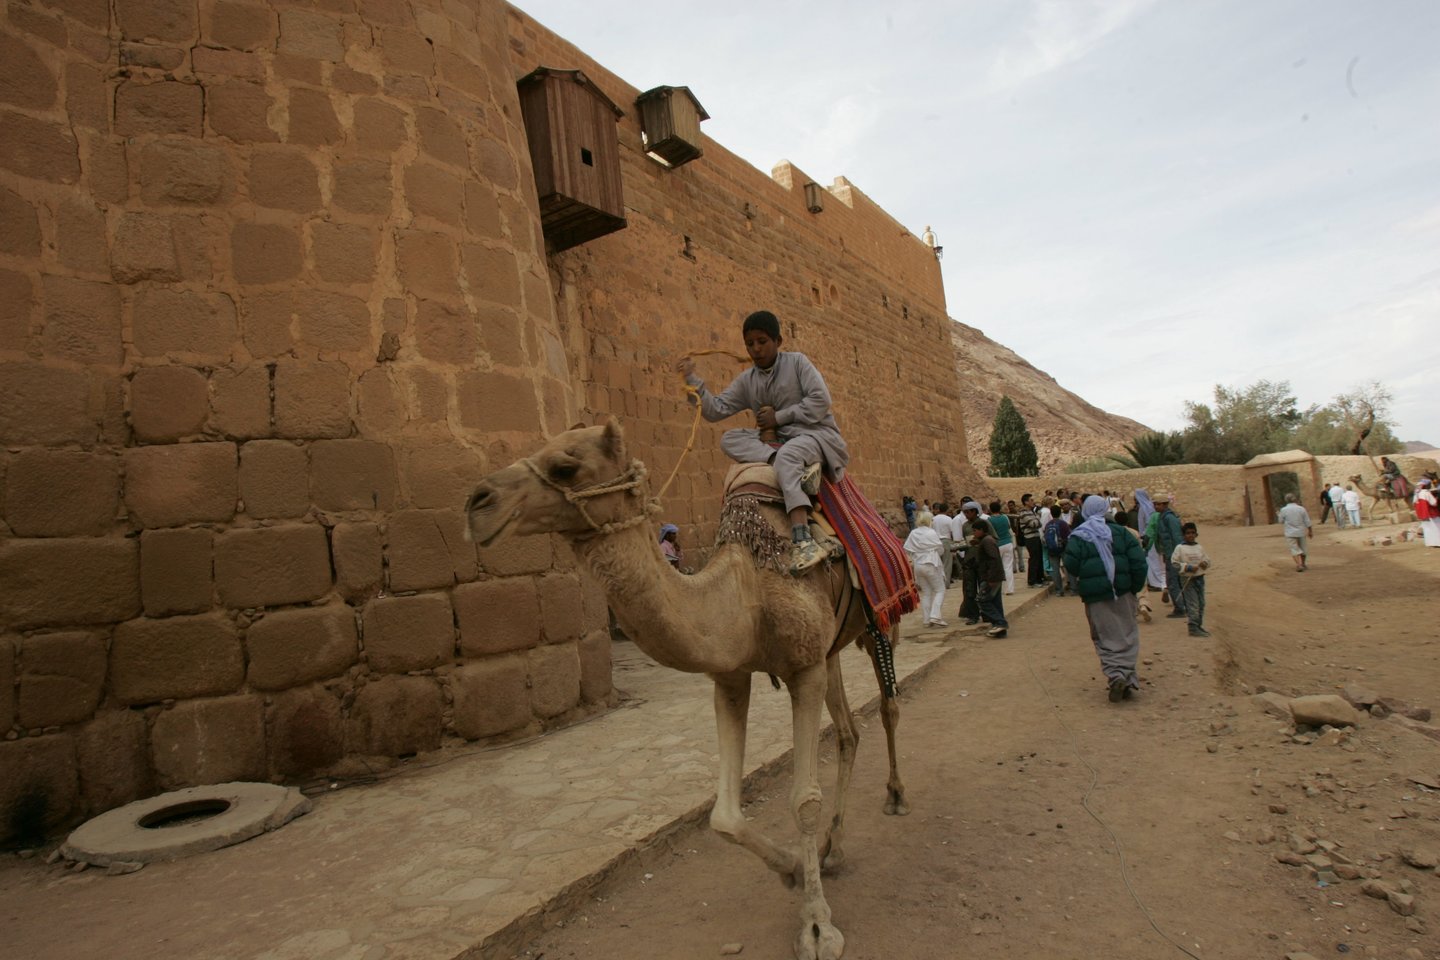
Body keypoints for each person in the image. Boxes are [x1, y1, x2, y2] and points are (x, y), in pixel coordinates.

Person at [678, 310, 846, 575]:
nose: (756, 349)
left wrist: (778, 418)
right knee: (729, 439)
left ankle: (803, 540)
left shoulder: (798, 363)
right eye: (750, 344)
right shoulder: (748, 380)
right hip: (776, 445)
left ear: (778, 341)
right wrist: (691, 381)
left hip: (813, 436)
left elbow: (820, 401)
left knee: (789, 454)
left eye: (762, 341)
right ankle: (785, 465)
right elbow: (716, 409)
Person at [1063, 495, 1148, 702]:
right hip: (1123, 591)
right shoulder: (1122, 533)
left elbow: (1071, 565)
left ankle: (1116, 675)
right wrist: (1133, 588)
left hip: (1095, 596)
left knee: (1103, 635)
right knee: (1126, 632)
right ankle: (1126, 676)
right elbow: (1139, 563)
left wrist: (1087, 578)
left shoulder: (1079, 536)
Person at [904, 512, 948, 627]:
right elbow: (940, 549)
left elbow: (907, 549)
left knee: (926, 592)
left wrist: (917, 554)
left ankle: (926, 619)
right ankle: (935, 616)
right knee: (940, 590)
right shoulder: (931, 532)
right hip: (930, 563)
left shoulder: (913, 532)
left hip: (918, 565)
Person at [1147, 491, 1186, 619]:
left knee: (1173, 582)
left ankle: (1180, 608)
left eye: (1158, 504)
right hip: (1169, 553)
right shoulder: (1162, 517)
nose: (1155, 506)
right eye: (1155, 504)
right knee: (1173, 581)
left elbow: (1176, 537)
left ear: (1164, 504)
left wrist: (1176, 555)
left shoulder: (1169, 518)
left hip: (1174, 555)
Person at [968, 519, 1008, 637]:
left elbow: (993, 560)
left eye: (975, 530)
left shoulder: (987, 541)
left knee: (982, 600)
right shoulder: (986, 540)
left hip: (991, 577)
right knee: (996, 602)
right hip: (994, 576)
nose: (974, 533)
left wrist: (991, 578)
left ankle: (1000, 623)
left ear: (981, 530)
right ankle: (1000, 630)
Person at [1170, 522, 1211, 637]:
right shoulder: (1180, 548)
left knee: (1201, 603)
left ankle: (1198, 625)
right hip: (1187, 579)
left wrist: (1204, 563)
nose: (1190, 535)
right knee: (1193, 603)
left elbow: (1207, 560)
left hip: (1199, 578)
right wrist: (1188, 567)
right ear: (1183, 535)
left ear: (1196, 534)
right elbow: (1174, 563)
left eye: (1193, 533)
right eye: (1188, 533)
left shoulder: (1199, 547)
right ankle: (1192, 627)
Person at [1277, 491, 1313, 573]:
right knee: (1303, 547)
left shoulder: (1283, 510)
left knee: (1294, 548)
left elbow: (1280, 521)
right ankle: (1303, 563)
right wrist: (1310, 531)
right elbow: (1307, 521)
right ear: (1295, 499)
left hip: (1290, 532)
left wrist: (1279, 515)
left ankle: (1299, 564)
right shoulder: (1301, 509)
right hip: (1301, 531)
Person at [988, 500, 1016, 595]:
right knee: (1008, 567)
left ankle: (998, 589)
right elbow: (1008, 528)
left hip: (997, 544)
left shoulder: (990, 520)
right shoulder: (1005, 517)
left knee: (997, 568)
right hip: (1007, 542)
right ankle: (1010, 589)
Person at [1042, 506, 1071, 596]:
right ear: (1060, 513)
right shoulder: (1063, 524)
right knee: (1068, 567)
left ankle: (1059, 590)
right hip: (1063, 548)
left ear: (1051, 513)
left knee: (1055, 570)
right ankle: (1073, 588)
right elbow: (1068, 537)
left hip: (1052, 550)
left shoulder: (1048, 524)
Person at [1017, 497, 1045, 587]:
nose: (1033, 502)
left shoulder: (1031, 512)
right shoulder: (1024, 513)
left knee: (1039, 558)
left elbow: (1038, 524)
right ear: (1026, 502)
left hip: (1036, 537)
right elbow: (1033, 524)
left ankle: (1039, 579)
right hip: (1030, 538)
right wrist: (1038, 517)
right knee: (1034, 559)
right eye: (1031, 500)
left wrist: (1036, 520)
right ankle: (1032, 581)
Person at [1415, 478, 1440, 548]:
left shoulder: (1417, 493)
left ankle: (1430, 543)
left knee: (1427, 528)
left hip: (1422, 514)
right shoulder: (1426, 493)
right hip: (1431, 513)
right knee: (1436, 527)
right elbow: (1433, 503)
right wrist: (1436, 498)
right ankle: (1438, 542)